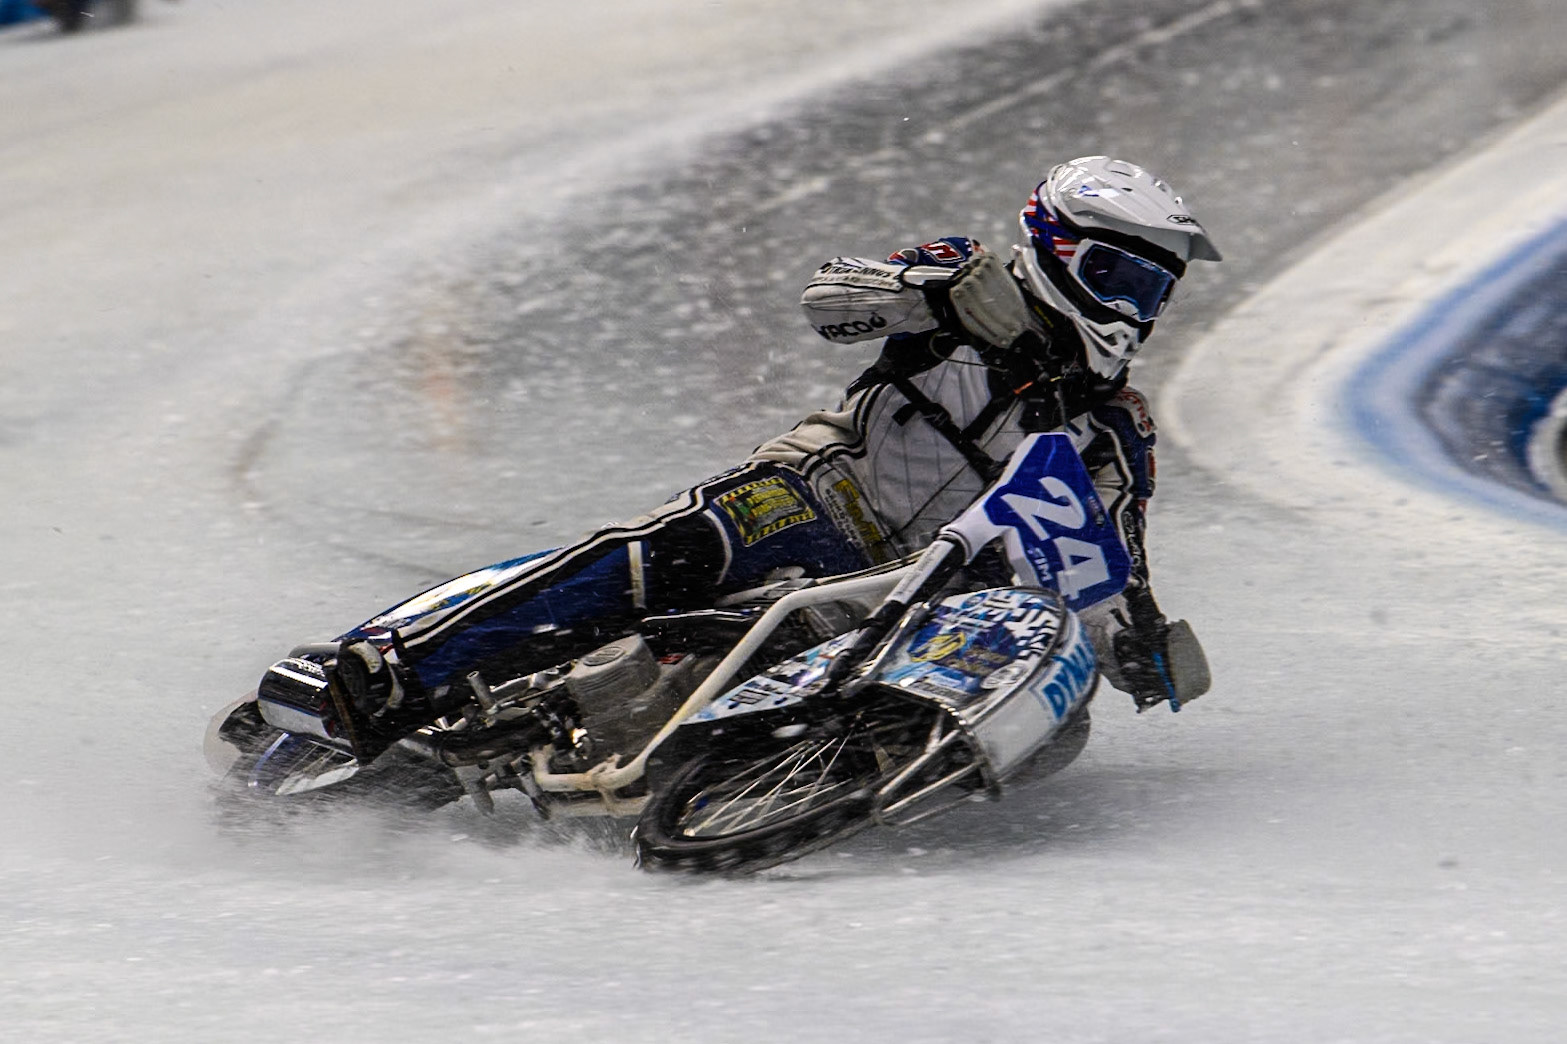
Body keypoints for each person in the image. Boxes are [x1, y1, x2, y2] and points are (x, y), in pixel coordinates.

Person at [333, 155, 1220, 738]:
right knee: (664, 552)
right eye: (1118, 279)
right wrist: (936, 292)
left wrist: (1132, 639)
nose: (1131, 310)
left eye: (1151, 292)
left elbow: (1104, 552)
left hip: (921, 586)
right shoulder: (971, 275)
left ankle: (774, 771)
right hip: (822, 491)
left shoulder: (1117, 424)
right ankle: (397, 674)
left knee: (1064, 719)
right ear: (1053, 249)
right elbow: (828, 301)